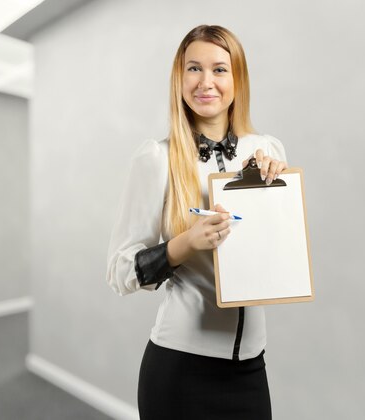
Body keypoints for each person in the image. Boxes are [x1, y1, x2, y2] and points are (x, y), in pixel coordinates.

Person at [106, 25, 288, 419]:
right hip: (180, 370)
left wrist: (278, 190)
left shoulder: (267, 150)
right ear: (179, 79)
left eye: (220, 69)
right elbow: (120, 272)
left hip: (251, 369)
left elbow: (275, 253)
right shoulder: (156, 158)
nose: (206, 82)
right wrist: (185, 244)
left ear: (237, 79)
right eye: (194, 69)